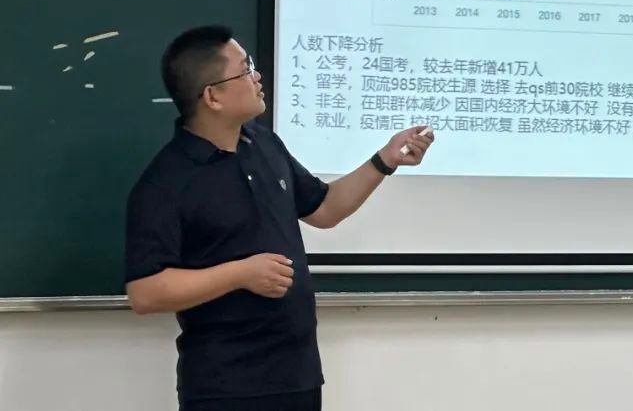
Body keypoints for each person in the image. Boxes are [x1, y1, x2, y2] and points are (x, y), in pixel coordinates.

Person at [124, 26, 434, 411]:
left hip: (297, 376)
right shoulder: (166, 182)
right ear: (212, 96)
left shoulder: (263, 144)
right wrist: (240, 273)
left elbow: (325, 208)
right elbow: (145, 292)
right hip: (226, 386)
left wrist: (384, 160)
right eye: (244, 69)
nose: (257, 76)